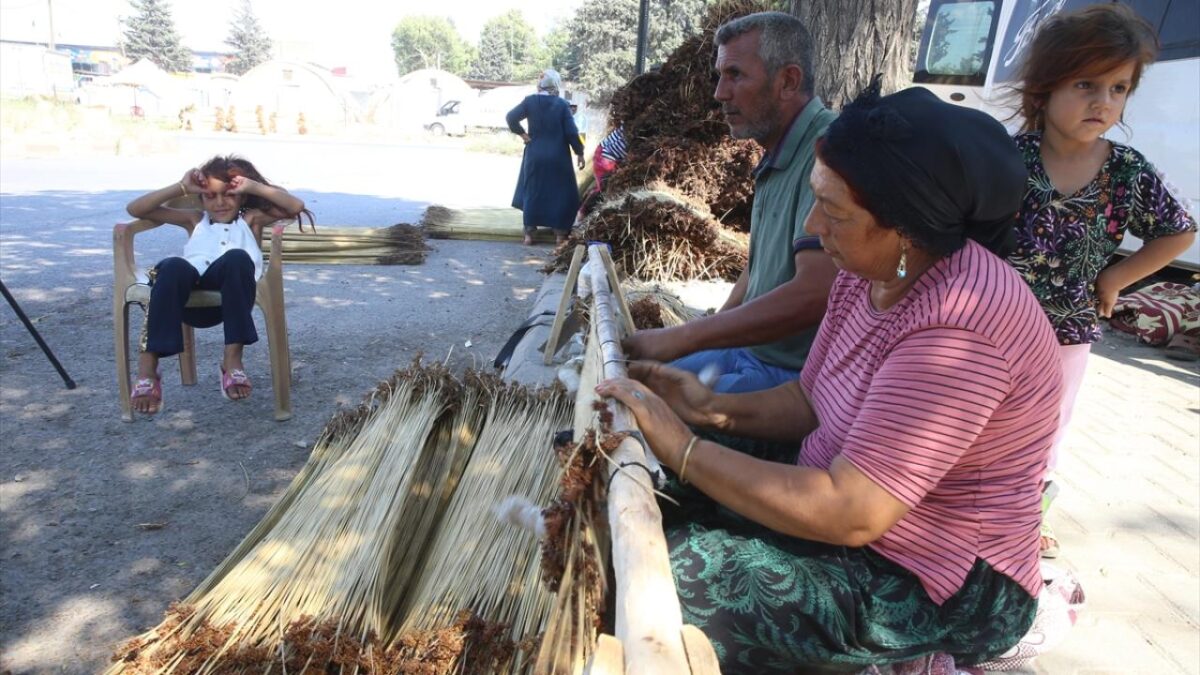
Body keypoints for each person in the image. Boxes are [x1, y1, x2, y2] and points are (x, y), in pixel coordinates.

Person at [597, 82, 1063, 673]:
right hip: (848, 499)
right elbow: (809, 397)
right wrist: (707, 408)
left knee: (678, 577)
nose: (814, 225)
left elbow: (853, 511)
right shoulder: (864, 272)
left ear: (907, 228)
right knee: (641, 477)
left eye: (835, 212)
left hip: (937, 572)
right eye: (817, 200)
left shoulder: (961, 325)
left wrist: (687, 449)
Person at [1005, 4, 1197, 557]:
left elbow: (1177, 233)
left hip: (1066, 334)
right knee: (975, 421)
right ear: (1044, 86)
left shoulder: (1126, 171)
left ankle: (1022, 524)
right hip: (990, 329)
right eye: (1086, 83)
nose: (1102, 102)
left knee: (1044, 433)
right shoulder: (1006, 158)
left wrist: (1116, 278)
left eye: (1118, 88)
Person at [622, 12, 838, 394]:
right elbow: (755, 271)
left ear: (788, 81)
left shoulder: (828, 153)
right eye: (720, 75)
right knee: (629, 379)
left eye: (735, 75)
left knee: (645, 406)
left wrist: (685, 338)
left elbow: (815, 292)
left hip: (790, 377)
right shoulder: (774, 153)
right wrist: (705, 335)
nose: (720, 93)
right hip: (746, 353)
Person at [125, 155, 309, 415]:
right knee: (172, 264)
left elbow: (294, 206)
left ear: (241, 196)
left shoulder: (251, 219)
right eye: (210, 196)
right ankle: (148, 367)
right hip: (186, 293)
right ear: (201, 197)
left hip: (233, 294)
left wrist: (253, 186)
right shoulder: (195, 219)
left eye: (228, 195)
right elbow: (136, 209)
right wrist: (181, 187)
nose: (220, 202)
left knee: (236, 258)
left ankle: (232, 359)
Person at [507, 69, 586, 246]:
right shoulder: (561, 105)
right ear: (556, 85)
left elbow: (511, 117)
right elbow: (572, 133)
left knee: (533, 191)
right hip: (558, 157)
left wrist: (523, 134)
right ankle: (559, 235)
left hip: (534, 155)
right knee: (562, 193)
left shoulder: (530, 102)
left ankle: (529, 235)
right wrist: (579, 152)